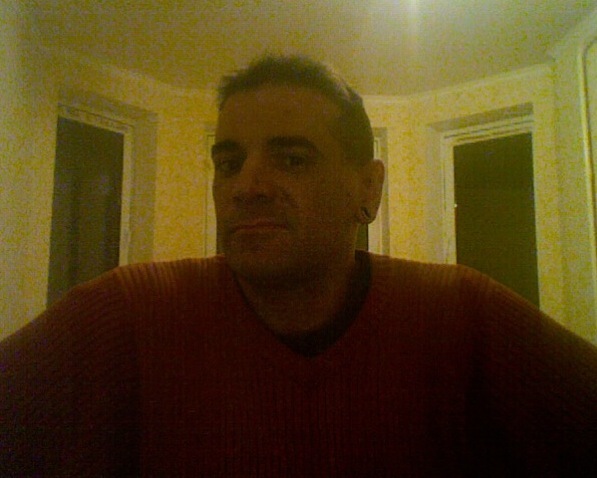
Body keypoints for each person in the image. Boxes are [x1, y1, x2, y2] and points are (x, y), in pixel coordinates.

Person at [1, 55, 596, 477]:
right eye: (229, 163)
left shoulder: (461, 316)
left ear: (369, 188)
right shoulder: (128, 313)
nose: (246, 186)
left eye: (291, 159)